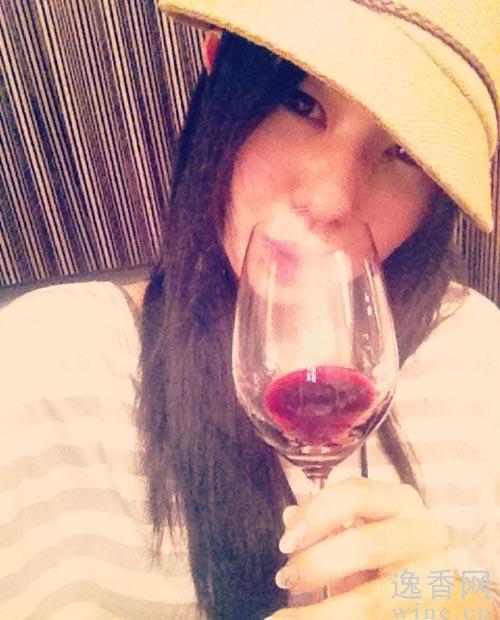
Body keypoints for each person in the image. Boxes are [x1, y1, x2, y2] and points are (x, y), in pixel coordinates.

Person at [0, 1, 499, 619]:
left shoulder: (476, 352)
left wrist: (467, 604)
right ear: (222, 78)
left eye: (406, 153)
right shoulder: (41, 370)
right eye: (300, 103)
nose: (330, 199)